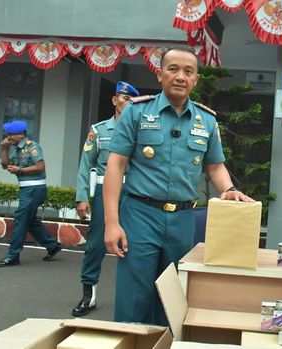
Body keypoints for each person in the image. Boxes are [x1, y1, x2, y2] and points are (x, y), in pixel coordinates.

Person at [103, 47, 254, 326]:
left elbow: (215, 166)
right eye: (173, 69)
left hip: (183, 219)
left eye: (188, 71)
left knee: (171, 296)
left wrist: (228, 189)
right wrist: (112, 223)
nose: (180, 76)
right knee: (134, 297)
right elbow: (116, 166)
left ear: (196, 79)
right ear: (160, 74)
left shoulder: (206, 121)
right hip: (140, 215)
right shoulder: (136, 113)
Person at [71, 81, 140, 316]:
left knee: (137, 246)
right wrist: (82, 197)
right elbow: (85, 165)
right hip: (104, 194)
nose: (127, 102)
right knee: (95, 245)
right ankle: (88, 296)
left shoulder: (142, 130)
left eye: (131, 99)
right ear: (114, 100)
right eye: (123, 97)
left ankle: (134, 300)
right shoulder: (99, 131)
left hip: (134, 195)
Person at [0, 120, 62, 267]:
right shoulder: (13, 148)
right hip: (26, 189)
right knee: (29, 220)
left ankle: (13, 255)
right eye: (8, 134)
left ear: (21, 134)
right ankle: (52, 246)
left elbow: (40, 166)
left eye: (11, 134)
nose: (8, 137)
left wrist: (19, 170)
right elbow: (5, 165)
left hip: (35, 189)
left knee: (20, 219)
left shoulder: (32, 147)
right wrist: (4, 149)